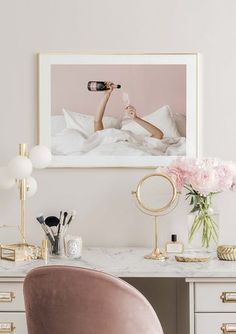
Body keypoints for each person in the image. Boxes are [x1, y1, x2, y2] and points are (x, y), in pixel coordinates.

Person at [94, 82, 164, 140]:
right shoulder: (105, 142)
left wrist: (135, 118)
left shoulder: (135, 143)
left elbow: (159, 135)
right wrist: (107, 94)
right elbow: (97, 121)